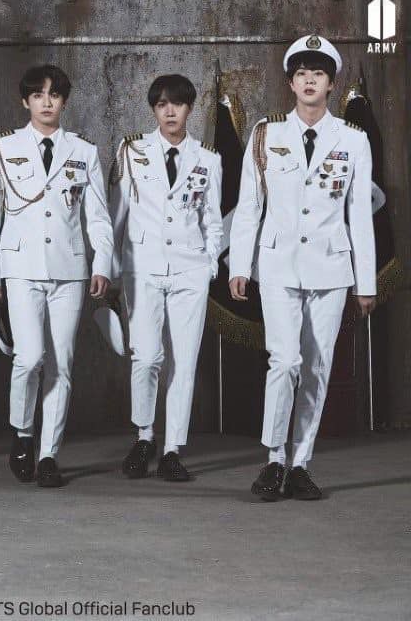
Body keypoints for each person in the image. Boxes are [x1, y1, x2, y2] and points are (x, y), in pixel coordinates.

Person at [228, 35, 376, 501]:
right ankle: (273, 459)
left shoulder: (353, 139)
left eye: (318, 74)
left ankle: (300, 464)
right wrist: (239, 264)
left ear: (331, 85)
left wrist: (366, 282)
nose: (309, 81)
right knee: (285, 361)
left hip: (331, 269)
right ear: (291, 83)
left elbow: (359, 215)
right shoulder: (266, 134)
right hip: (277, 265)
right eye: (301, 74)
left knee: (317, 367)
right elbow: (249, 206)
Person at [0, 65, 113, 488]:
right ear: (26, 101)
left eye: (54, 95)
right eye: (38, 95)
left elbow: (99, 217)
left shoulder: (83, 150)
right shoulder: (4, 147)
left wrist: (102, 265)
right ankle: (23, 433)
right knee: (30, 357)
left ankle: (49, 454)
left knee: (62, 364)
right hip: (20, 269)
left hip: (69, 270)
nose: (46, 102)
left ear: (64, 101)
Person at [110, 74, 223, 482]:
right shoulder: (131, 150)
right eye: (161, 104)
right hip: (142, 267)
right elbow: (116, 215)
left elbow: (213, 221)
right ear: (154, 109)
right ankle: (144, 437)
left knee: (184, 362)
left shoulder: (208, 159)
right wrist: (110, 270)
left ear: (190, 108)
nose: (170, 111)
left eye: (177, 103)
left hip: (190, 269)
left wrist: (209, 264)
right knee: (146, 357)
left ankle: (173, 449)